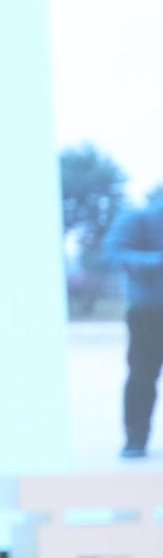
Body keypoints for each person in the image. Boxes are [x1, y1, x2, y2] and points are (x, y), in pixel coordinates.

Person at [104, 186, 163, 457]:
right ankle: (135, 440)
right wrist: (157, 261)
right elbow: (115, 252)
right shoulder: (138, 219)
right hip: (149, 311)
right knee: (142, 376)